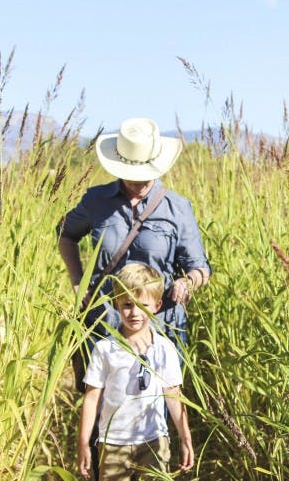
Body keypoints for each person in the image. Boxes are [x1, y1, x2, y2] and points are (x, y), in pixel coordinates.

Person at [77, 263, 194, 481]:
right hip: (112, 445)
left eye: (142, 305)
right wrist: (85, 442)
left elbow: (174, 394)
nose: (134, 312)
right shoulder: (106, 350)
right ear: (116, 305)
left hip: (153, 443)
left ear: (156, 306)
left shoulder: (164, 350)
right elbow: (92, 396)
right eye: (126, 304)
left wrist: (185, 438)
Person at [57, 117, 212, 354]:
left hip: (160, 325)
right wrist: (78, 283)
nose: (138, 180)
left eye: (143, 173)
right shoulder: (96, 201)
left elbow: (200, 268)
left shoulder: (178, 207)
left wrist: (188, 282)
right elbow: (65, 235)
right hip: (105, 320)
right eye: (131, 172)